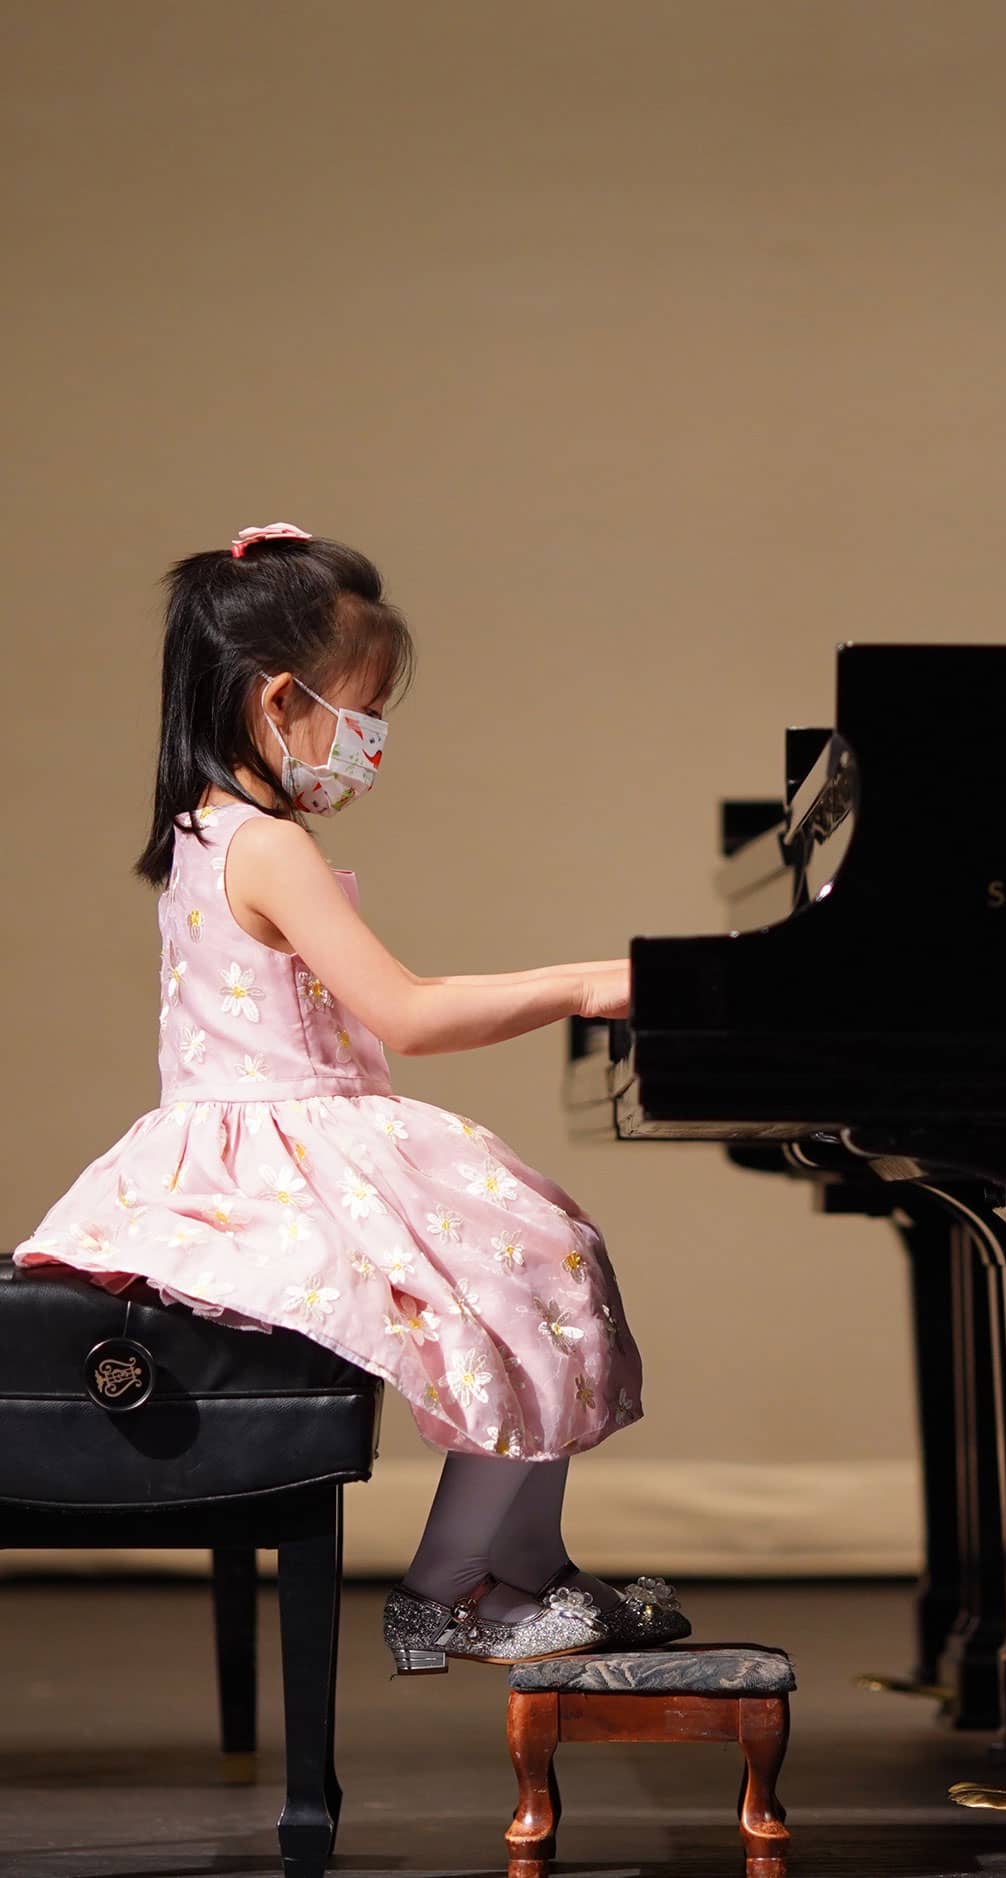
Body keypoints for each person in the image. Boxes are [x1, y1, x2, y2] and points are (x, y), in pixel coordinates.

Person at [12, 521, 690, 1672]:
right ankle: (455, 1588)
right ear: (280, 702)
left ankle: (523, 1568)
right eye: (361, 715)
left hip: (249, 1141)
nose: (369, 747)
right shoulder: (266, 844)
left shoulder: (204, 830)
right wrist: (582, 982)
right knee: (535, 1254)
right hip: (277, 1151)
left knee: (536, 1249)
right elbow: (409, 1015)